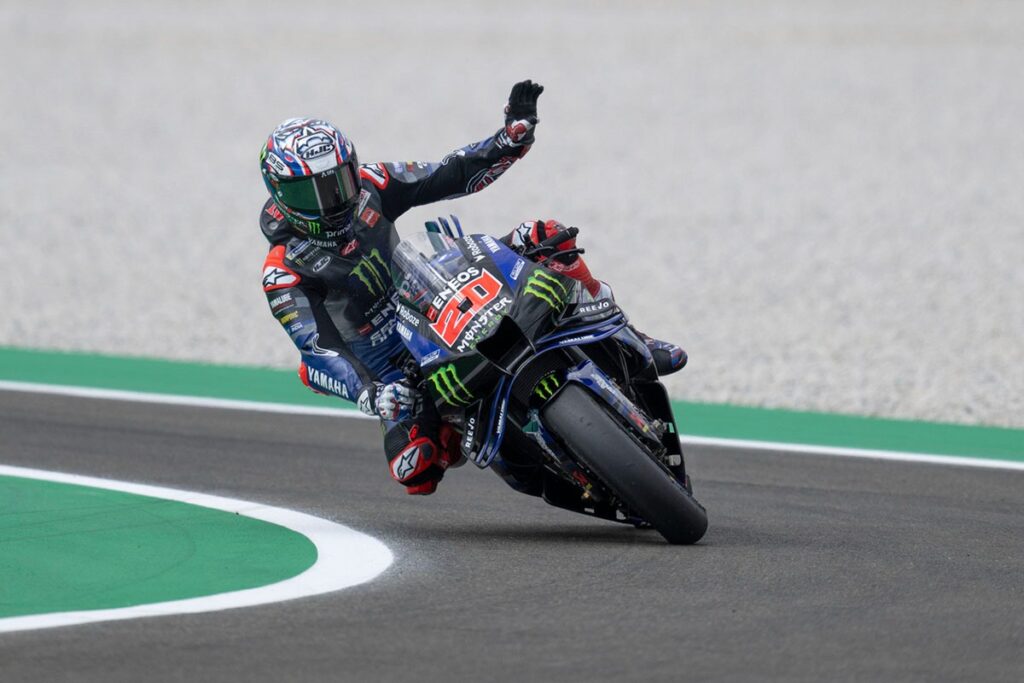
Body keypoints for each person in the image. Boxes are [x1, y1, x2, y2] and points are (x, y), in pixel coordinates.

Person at [259, 80, 686, 495]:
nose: (334, 200)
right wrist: (370, 393)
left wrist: (509, 139)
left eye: (339, 181)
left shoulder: (373, 184)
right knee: (415, 469)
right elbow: (317, 351)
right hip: (392, 368)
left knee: (544, 236)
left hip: (431, 297)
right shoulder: (284, 270)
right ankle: (471, 431)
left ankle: (630, 337)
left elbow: (449, 172)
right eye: (312, 193)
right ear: (281, 195)